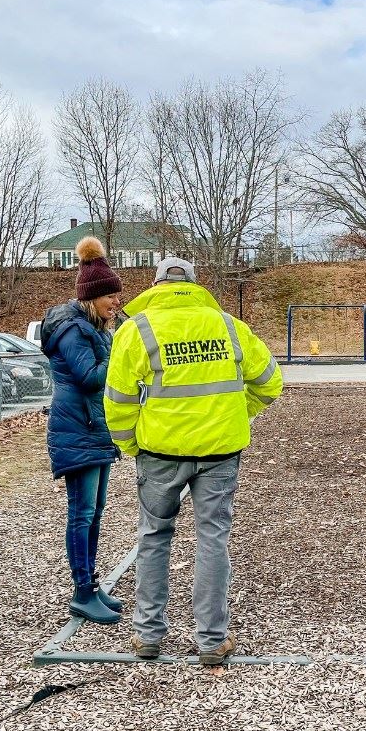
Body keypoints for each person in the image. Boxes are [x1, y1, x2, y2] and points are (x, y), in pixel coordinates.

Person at [104, 258, 282, 664]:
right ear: (197, 285)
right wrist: (239, 412)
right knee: (213, 538)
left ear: (156, 285)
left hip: (159, 453)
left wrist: (131, 444)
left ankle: (147, 634)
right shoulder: (228, 325)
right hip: (219, 451)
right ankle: (212, 640)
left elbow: (117, 400)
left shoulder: (136, 329)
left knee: (153, 537)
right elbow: (270, 382)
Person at [42, 237, 124, 625]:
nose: (116, 301)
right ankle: (81, 592)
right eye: (110, 295)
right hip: (76, 428)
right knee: (82, 511)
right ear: (93, 296)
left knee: (95, 511)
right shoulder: (73, 330)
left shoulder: (94, 328)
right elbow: (91, 378)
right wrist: (119, 353)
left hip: (94, 429)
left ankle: (91, 584)